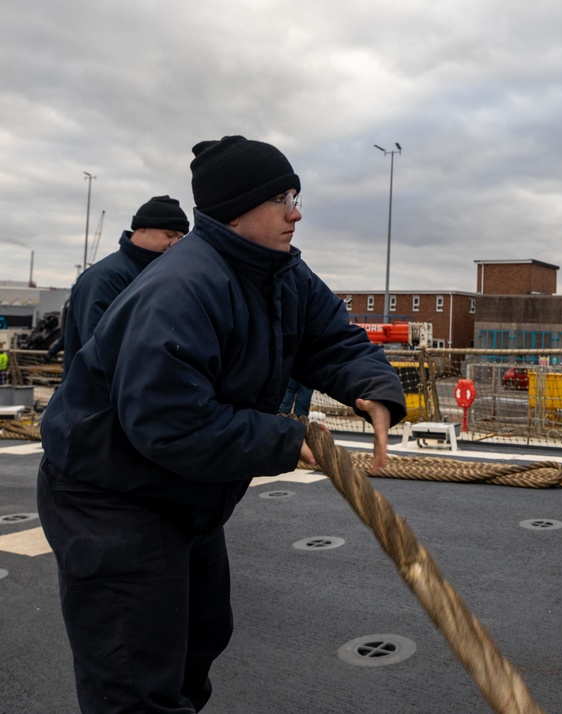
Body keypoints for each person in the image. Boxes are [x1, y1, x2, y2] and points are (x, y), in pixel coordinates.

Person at [37, 135, 407, 713]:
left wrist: (374, 388)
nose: (297, 211)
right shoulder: (181, 287)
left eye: (297, 195)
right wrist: (286, 440)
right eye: (283, 197)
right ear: (238, 209)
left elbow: (331, 336)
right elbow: (169, 423)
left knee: (198, 643)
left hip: (185, 493)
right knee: (135, 681)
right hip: (111, 495)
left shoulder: (281, 272)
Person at [61, 195, 189, 369]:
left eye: (180, 238)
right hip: (101, 394)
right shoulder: (103, 278)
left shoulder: (161, 274)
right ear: (141, 228)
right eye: (169, 235)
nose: (174, 244)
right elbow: (99, 351)